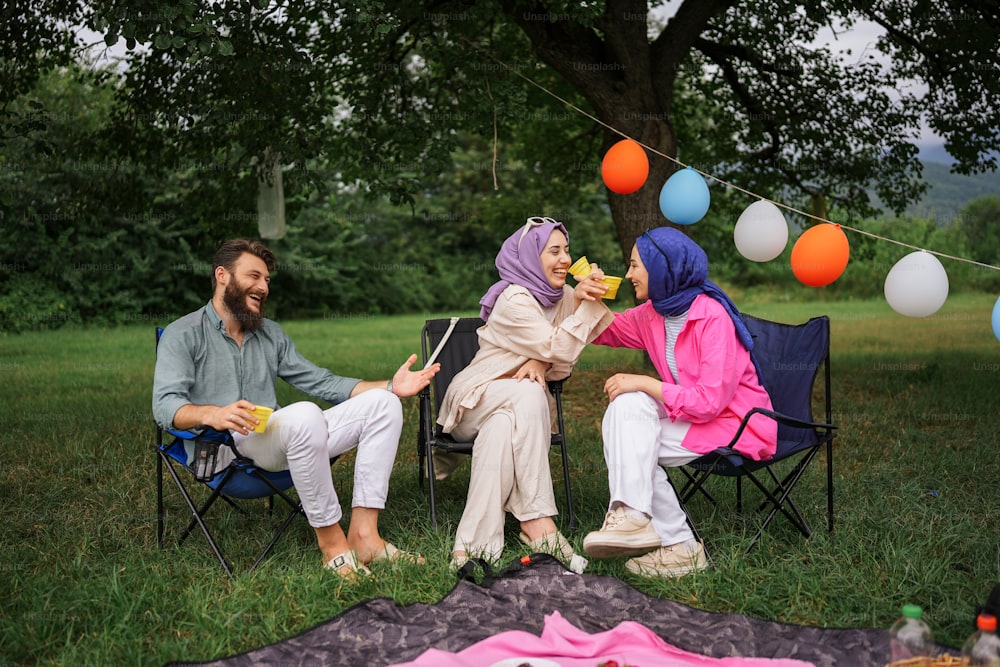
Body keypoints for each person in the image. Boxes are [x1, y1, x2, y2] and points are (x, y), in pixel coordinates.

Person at [153, 238, 440, 580]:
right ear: (222, 276)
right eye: (254, 276)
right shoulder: (183, 334)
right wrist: (211, 413)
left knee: (384, 405)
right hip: (228, 448)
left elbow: (322, 382)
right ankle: (333, 548)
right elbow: (165, 405)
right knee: (304, 414)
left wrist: (392, 386)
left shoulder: (269, 333)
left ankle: (366, 537)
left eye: (267, 281)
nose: (263, 286)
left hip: (282, 436)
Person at [581, 226, 777, 578]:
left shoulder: (712, 316)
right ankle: (635, 518)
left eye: (635, 265)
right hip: (692, 416)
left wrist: (644, 382)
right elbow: (602, 330)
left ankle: (675, 542)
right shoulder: (653, 313)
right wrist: (585, 294)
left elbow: (709, 402)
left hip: (738, 424)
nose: (628, 275)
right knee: (625, 410)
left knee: (637, 440)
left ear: (662, 267)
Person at [437, 216, 615, 572]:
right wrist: (583, 312)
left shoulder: (561, 296)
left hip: (510, 412)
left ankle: (472, 546)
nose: (564, 258)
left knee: (502, 429)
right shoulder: (514, 298)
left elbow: (565, 363)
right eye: (553, 251)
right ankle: (538, 523)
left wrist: (545, 359)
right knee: (530, 393)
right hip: (474, 399)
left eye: (566, 249)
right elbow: (560, 348)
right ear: (531, 257)